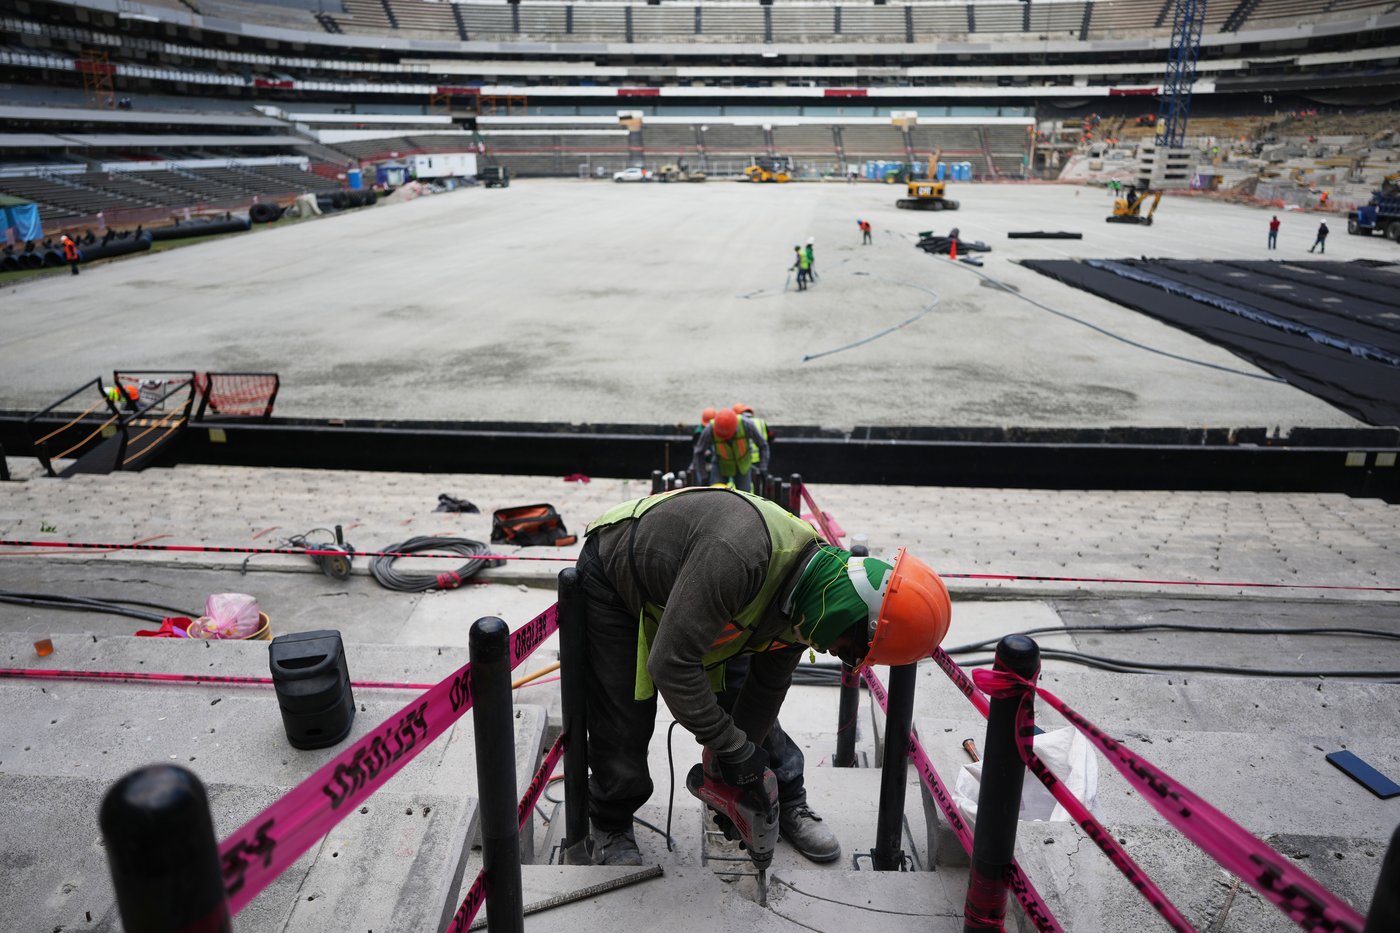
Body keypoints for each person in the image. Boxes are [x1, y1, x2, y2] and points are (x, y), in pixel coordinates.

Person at [574, 486, 952, 866]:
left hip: (708, 588)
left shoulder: (812, 597)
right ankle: (612, 821)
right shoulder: (738, 557)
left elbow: (766, 689)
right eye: (851, 649)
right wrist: (733, 748)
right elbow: (671, 664)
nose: (838, 656)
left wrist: (737, 778)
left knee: (738, 700)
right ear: (847, 613)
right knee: (625, 712)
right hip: (617, 575)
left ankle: (786, 797)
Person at [692, 408, 768, 492]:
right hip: (721, 465)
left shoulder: (746, 424)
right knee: (715, 495)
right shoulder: (710, 428)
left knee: (744, 497)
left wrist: (763, 467)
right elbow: (699, 452)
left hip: (743, 465)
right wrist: (703, 476)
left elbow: (763, 445)